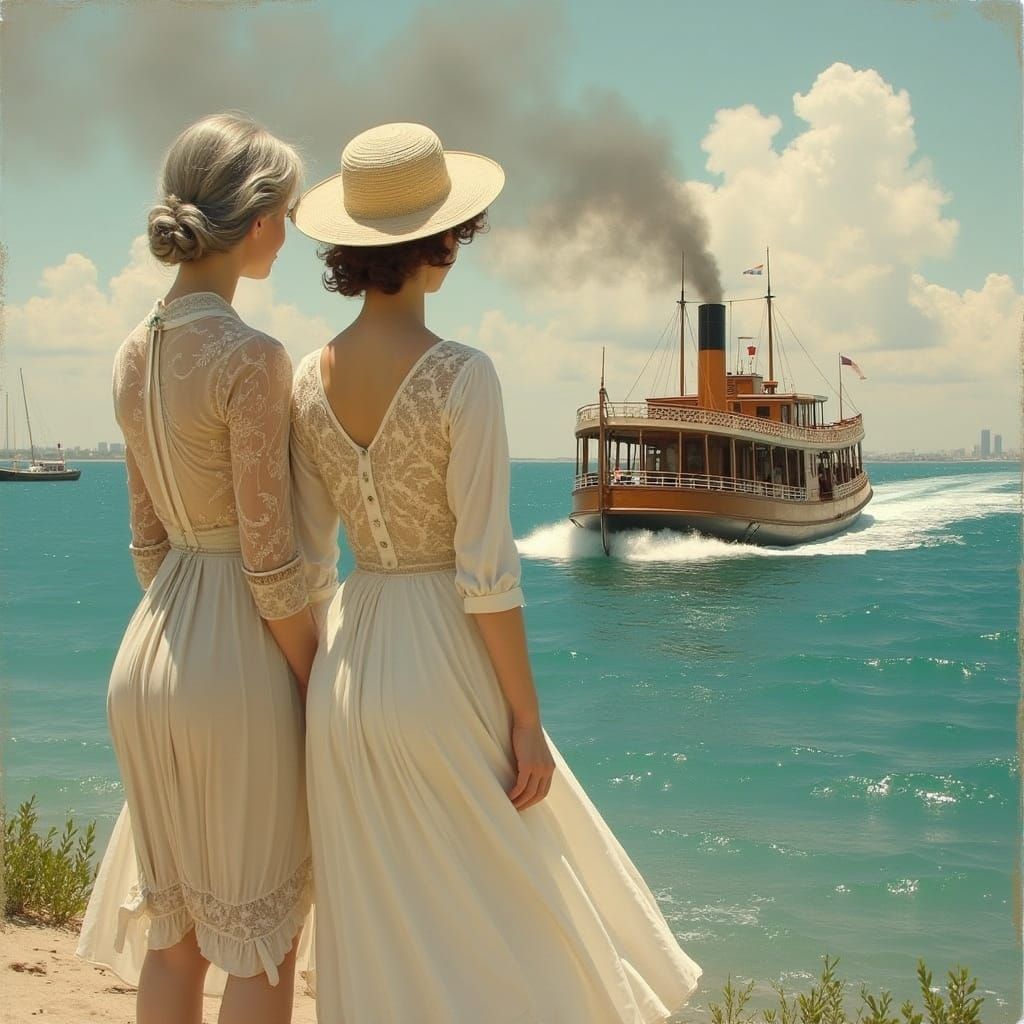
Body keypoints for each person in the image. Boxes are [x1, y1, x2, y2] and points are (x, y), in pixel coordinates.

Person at [289, 122, 701, 1023]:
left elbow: (311, 557)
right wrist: (527, 719)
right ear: (445, 240)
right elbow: (488, 570)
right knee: (506, 906)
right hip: (441, 660)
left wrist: (317, 683)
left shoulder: (303, 382)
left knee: (384, 914)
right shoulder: (461, 375)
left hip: (348, 667)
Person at [77, 113, 317, 1024]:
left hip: (148, 656)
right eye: (286, 213)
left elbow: (148, 542)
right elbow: (268, 561)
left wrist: (184, 623)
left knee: (172, 942)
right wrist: (315, 673)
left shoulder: (131, 351)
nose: (289, 234)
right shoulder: (253, 357)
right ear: (256, 220)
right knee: (263, 947)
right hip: (232, 660)